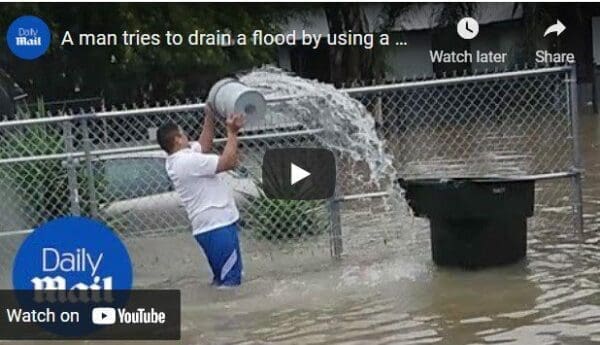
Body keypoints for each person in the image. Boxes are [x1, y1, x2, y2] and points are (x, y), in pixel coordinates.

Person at [156, 104, 245, 287]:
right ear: (178, 140)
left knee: (221, 279)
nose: (187, 135)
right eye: (183, 133)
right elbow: (227, 162)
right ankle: (231, 315)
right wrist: (232, 133)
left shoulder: (179, 159)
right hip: (217, 225)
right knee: (231, 281)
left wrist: (210, 116)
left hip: (211, 226)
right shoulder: (187, 161)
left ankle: (214, 312)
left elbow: (204, 145)